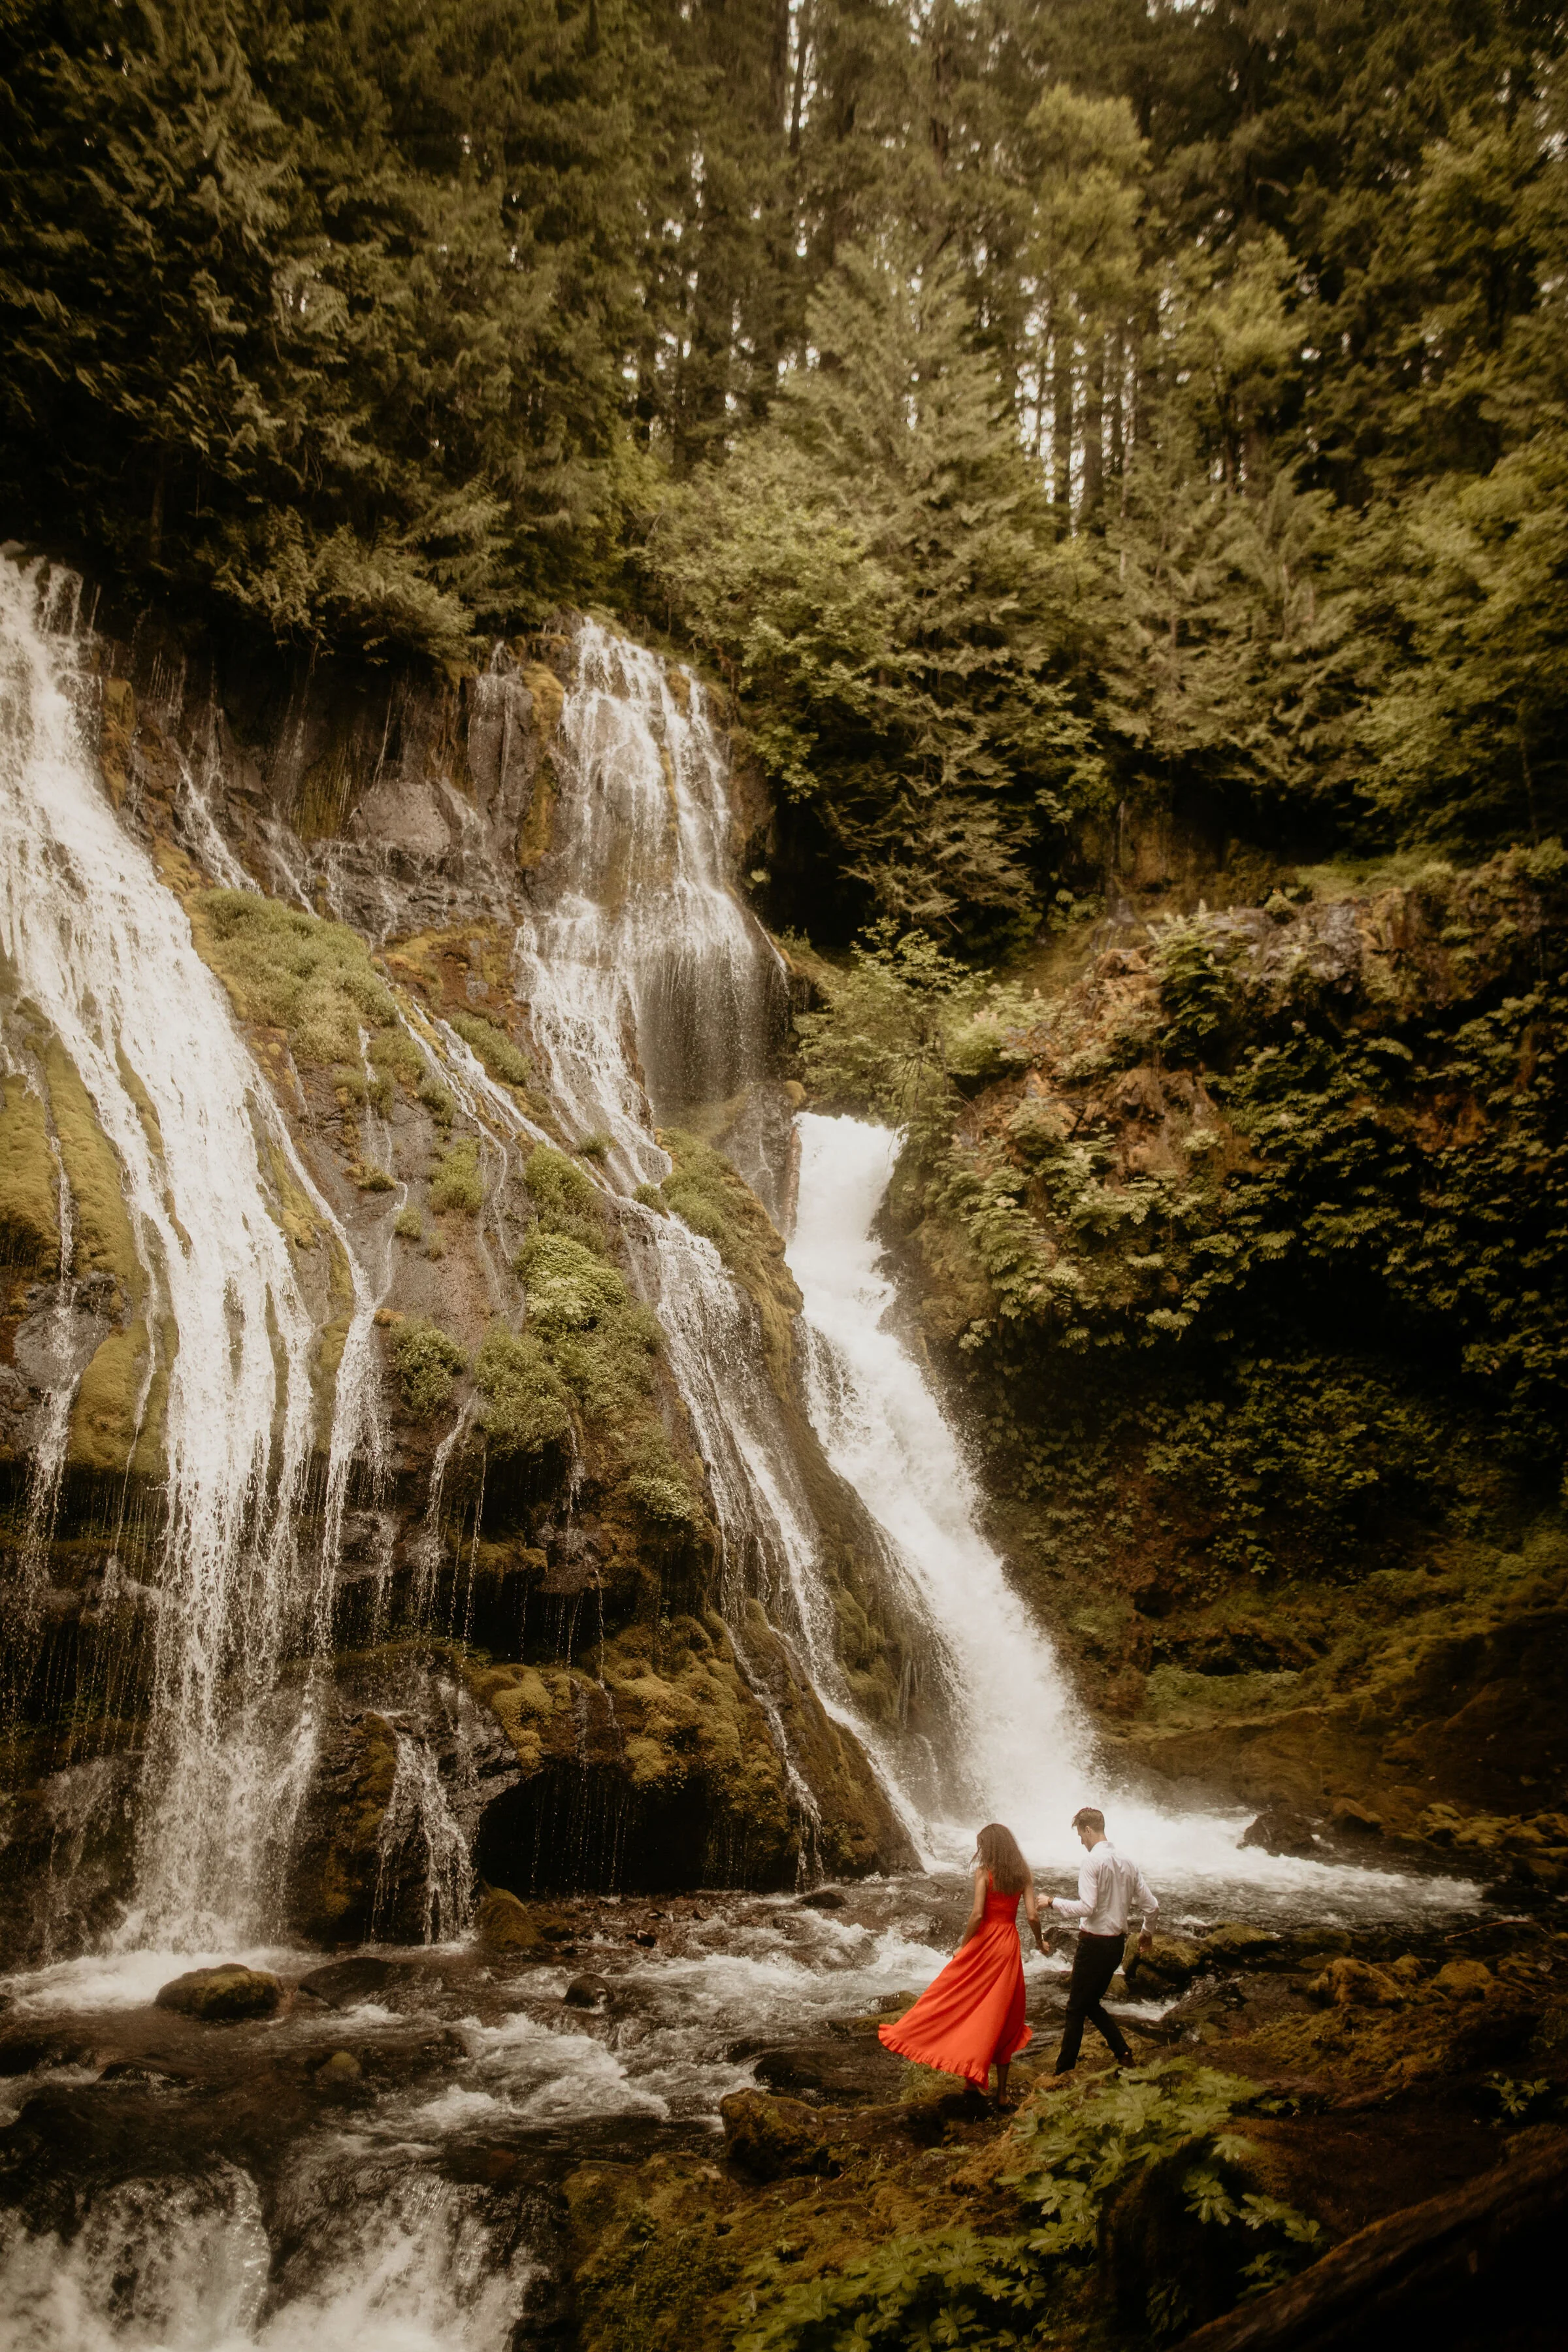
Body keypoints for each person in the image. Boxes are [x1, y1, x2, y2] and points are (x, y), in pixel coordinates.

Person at [879, 1823, 1045, 2107]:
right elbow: (1032, 1916)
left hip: (984, 1945)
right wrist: (1040, 1943)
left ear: (989, 1847)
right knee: (1004, 2014)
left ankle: (970, 2079)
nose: (979, 1851)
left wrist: (963, 1945)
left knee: (963, 2001)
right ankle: (1001, 2094)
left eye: (982, 1846)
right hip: (1008, 1945)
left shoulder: (984, 1872)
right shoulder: (1022, 1874)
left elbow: (978, 1914)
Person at [1043, 1805, 1159, 2076]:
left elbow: (1087, 1908)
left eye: (1081, 1836)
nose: (1081, 1842)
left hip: (1093, 1944)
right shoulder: (1128, 1862)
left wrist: (1051, 1902)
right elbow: (1152, 1907)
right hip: (1116, 1945)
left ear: (1088, 1829)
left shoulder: (1092, 1862)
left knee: (1074, 2008)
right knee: (1090, 2003)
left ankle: (1063, 2071)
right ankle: (1123, 2053)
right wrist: (1147, 1933)